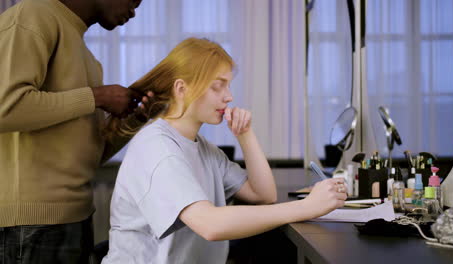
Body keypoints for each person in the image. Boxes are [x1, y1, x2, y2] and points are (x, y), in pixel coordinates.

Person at [102, 37, 347, 264]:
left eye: (228, 86)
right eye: (218, 87)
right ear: (181, 89)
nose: (229, 96)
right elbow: (209, 224)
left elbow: (263, 194)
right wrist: (306, 207)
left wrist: (245, 134)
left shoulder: (203, 148)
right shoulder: (157, 148)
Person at [0, 0, 152, 263]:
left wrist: (136, 120)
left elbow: (89, 155)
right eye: (133, 0)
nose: (133, 12)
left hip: (74, 218)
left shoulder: (86, 55)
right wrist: (98, 96)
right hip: (30, 225)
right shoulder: (34, 14)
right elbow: (5, 108)